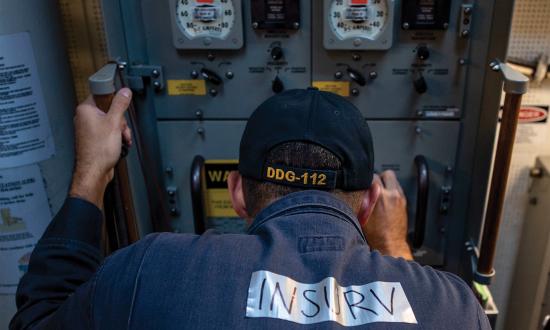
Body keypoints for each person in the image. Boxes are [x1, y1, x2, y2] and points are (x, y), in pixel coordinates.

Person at [10, 88, 490, 329]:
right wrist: (396, 248)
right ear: (368, 204)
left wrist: (92, 172)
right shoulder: (454, 308)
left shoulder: (149, 270)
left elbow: (39, 318)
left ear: (237, 193)